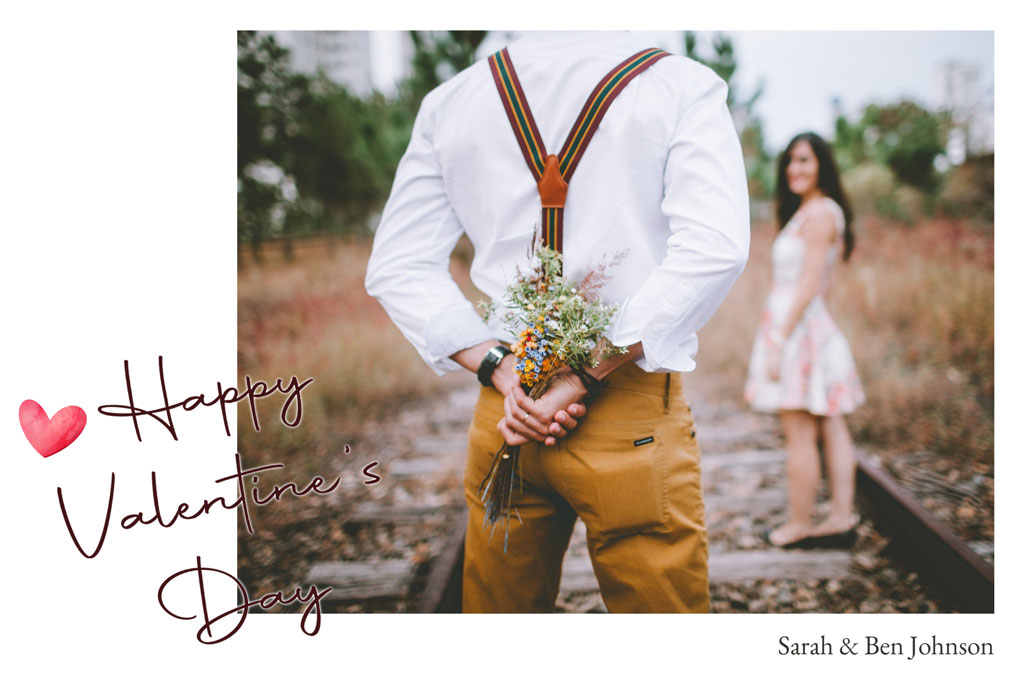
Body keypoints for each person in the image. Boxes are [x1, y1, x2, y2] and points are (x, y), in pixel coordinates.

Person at [366, 31, 749, 612]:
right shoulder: (679, 85)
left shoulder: (452, 101)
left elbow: (398, 264)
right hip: (626, 408)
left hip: (508, 413)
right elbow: (714, 248)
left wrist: (501, 366)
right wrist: (581, 375)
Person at [744, 132, 865, 549]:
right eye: (790, 162)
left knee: (800, 431)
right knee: (830, 423)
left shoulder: (818, 215)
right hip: (807, 325)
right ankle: (839, 518)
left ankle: (800, 524)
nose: (794, 169)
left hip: (797, 331)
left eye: (804, 161)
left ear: (822, 166)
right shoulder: (815, 212)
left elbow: (810, 282)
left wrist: (779, 338)